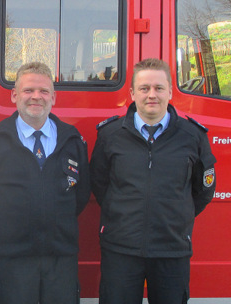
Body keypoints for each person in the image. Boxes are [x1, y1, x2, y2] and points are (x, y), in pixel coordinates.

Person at [90, 58, 216, 304]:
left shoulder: (193, 136)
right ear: (132, 93)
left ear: (170, 90)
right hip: (121, 249)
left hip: (172, 249)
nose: (152, 95)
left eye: (159, 88)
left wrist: (176, 217)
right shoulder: (110, 135)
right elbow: (99, 184)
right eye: (144, 88)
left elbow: (203, 191)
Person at [0, 62, 90, 303]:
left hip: (61, 258)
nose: (36, 96)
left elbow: (81, 195)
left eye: (44, 91)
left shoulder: (73, 140)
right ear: (15, 95)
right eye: (28, 91)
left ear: (53, 97)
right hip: (13, 258)